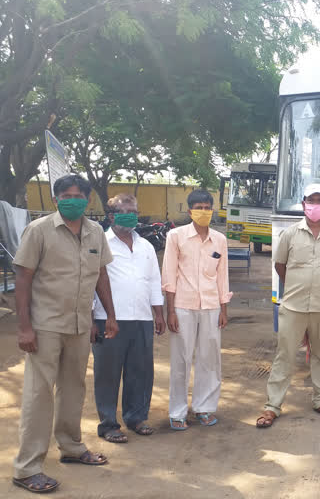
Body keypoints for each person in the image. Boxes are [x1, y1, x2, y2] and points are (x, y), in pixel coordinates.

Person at [12, 174, 117, 493]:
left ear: (88, 199)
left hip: (79, 324)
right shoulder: (39, 230)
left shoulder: (96, 231)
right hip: (45, 325)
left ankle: (71, 447)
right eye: (66, 195)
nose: (73, 199)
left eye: (79, 195)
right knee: (38, 394)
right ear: (56, 199)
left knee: (74, 388)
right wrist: (24, 327)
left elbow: (101, 276)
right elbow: (23, 279)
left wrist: (109, 315)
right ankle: (27, 468)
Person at [257, 183, 320, 428]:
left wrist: (317, 283)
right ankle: (272, 406)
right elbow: (280, 265)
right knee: (284, 356)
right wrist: (299, 284)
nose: (315, 205)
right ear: (303, 204)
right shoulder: (290, 234)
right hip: (294, 306)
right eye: (311, 200)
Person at [92, 194, 165, 442]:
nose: (131, 216)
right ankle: (109, 423)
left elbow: (154, 281)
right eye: (125, 212)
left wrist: (159, 313)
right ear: (111, 215)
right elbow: (91, 282)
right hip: (109, 319)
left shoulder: (145, 246)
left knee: (141, 371)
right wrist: (93, 317)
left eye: (134, 212)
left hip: (142, 318)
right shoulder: (100, 243)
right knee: (108, 373)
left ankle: (136, 417)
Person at [162, 189, 231, 430]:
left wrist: (224, 309)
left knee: (209, 359)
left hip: (211, 306)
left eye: (207, 207)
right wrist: (170, 311)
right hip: (183, 305)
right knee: (181, 359)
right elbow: (169, 275)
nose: (203, 211)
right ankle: (178, 411)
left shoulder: (219, 240)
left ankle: (205, 407)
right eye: (198, 207)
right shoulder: (176, 236)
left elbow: (222, 277)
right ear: (190, 211)